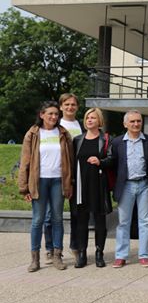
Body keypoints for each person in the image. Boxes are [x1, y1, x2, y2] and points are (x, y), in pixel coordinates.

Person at [18, 101, 73, 272]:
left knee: (57, 219)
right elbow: (25, 162)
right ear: (42, 115)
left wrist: (70, 183)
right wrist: (24, 188)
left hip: (58, 181)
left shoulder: (63, 133)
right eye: (50, 113)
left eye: (56, 114)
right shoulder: (33, 133)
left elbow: (70, 160)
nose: (54, 117)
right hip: (39, 181)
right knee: (38, 220)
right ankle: (35, 259)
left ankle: (57, 255)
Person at [104, 110, 148, 268]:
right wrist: (99, 162)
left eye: (138, 121)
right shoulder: (118, 142)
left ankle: (144, 255)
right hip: (126, 185)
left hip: (145, 184)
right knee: (123, 222)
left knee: (145, 222)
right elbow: (112, 162)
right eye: (132, 121)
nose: (136, 124)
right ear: (125, 124)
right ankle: (121, 256)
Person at [42, 93, 82, 264]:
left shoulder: (81, 125)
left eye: (73, 104)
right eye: (66, 104)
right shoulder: (56, 125)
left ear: (77, 107)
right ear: (61, 107)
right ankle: (50, 249)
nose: (70, 107)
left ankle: (75, 246)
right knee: (50, 215)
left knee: (76, 214)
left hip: (76, 174)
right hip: (56, 175)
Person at [71, 108, 112, 268]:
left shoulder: (106, 139)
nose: (89, 120)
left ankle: (99, 253)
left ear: (99, 121)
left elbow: (112, 159)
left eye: (93, 118)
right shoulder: (77, 140)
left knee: (100, 219)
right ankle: (82, 253)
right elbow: (72, 161)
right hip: (81, 184)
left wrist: (100, 161)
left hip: (98, 184)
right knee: (81, 219)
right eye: (87, 117)